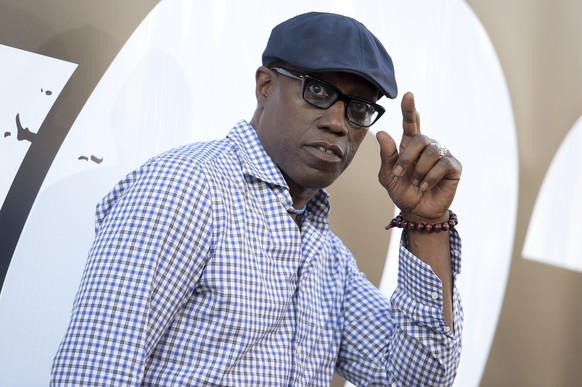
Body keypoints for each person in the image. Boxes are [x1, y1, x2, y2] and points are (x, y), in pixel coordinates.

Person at [51, 11, 463, 386]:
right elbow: (94, 372)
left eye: (358, 108)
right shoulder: (186, 187)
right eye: (318, 90)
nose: (338, 123)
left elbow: (415, 380)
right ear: (265, 86)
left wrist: (426, 221)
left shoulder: (327, 256)